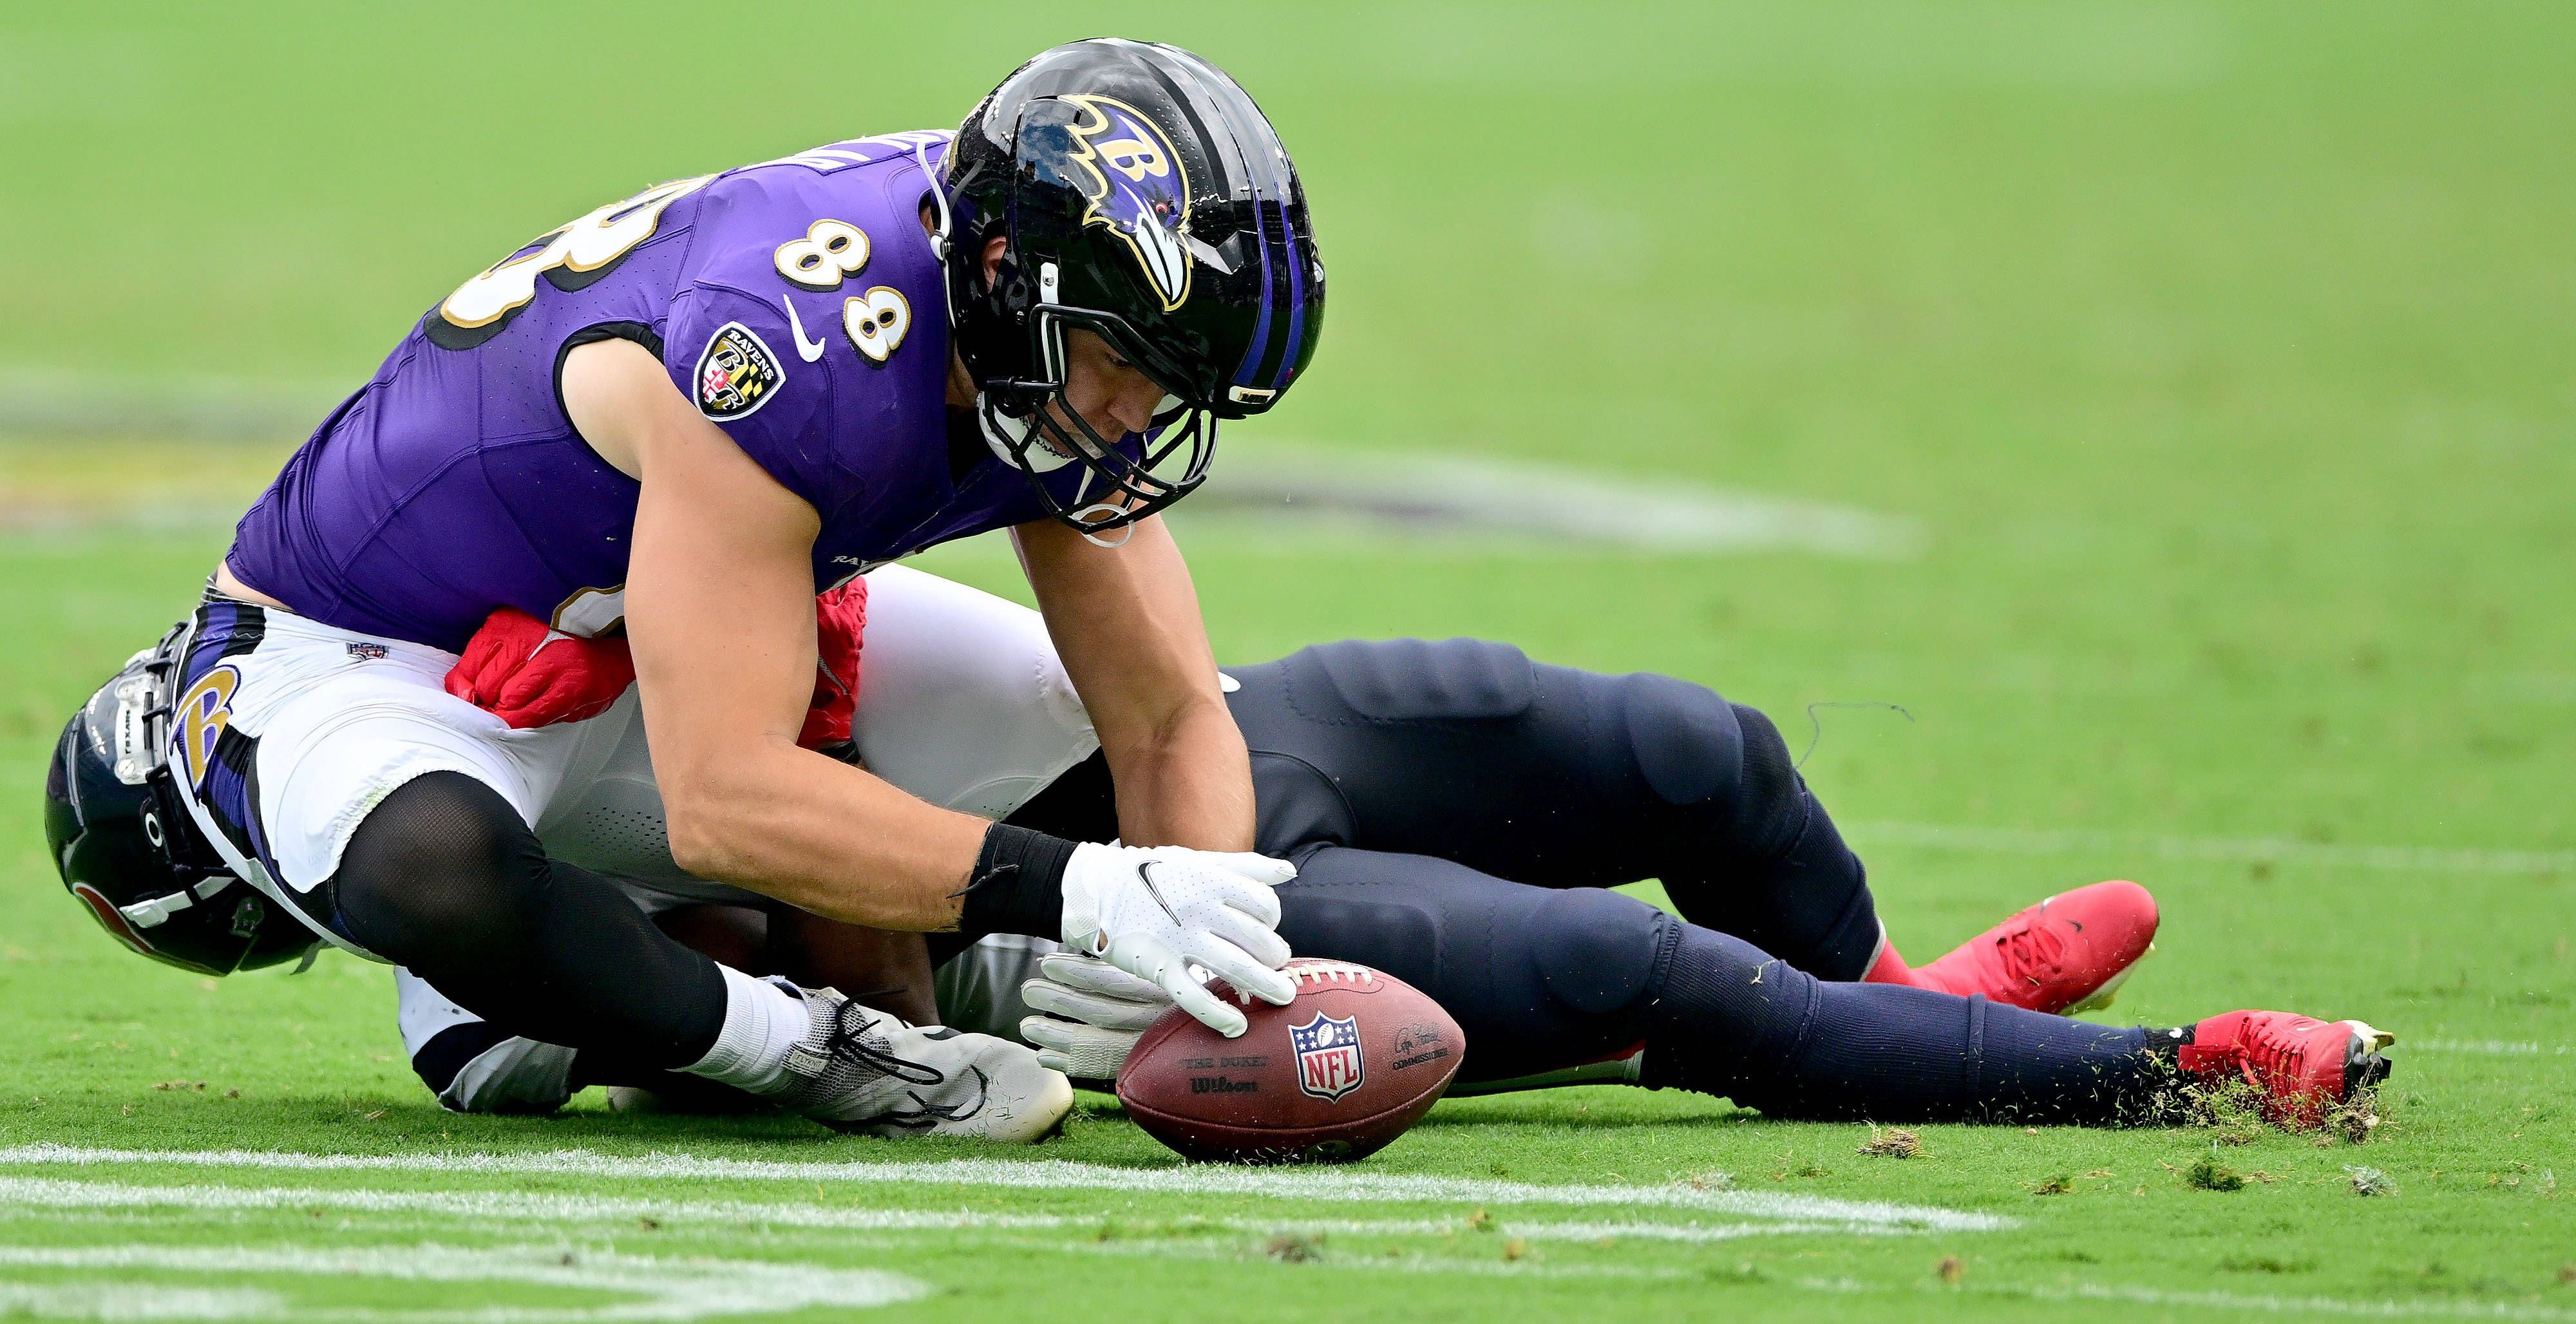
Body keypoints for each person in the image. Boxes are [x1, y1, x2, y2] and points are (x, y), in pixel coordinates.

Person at [40, 38, 1332, 1140]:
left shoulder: (1009, 277)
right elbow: (724, 800)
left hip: (661, 633)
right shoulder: (789, 345)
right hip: (444, 667)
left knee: (1147, 769)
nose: (1138, 413)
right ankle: (824, 1048)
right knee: (438, 870)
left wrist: (1189, 946)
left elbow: (1161, 716)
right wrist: (1086, 899)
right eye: (1125, 362)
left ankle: (929, 961)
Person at [52, 565, 2393, 1133]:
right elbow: (752, 999)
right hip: (1118, 933)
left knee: (1711, 755)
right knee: (1634, 971)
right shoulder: (461, 937)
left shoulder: (458, 581)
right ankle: (2183, 1075)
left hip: (1218, 745)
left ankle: (1919, 1004)